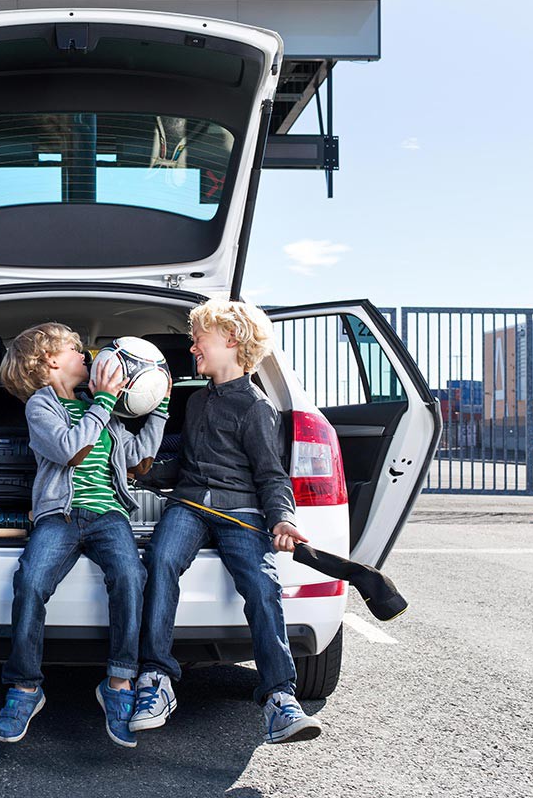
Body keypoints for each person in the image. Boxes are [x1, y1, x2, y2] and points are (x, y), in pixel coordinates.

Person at [130, 299, 322, 744]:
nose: (192, 345)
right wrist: (146, 471)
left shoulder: (256, 406)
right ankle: (156, 678)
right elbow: (185, 464)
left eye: (200, 338)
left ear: (232, 341)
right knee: (160, 561)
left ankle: (279, 698)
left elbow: (271, 474)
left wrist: (283, 518)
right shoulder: (196, 401)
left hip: (240, 511)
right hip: (189, 504)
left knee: (260, 583)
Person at [0, 323, 168, 748]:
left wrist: (159, 410)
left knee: (131, 576)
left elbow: (135, 461)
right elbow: (72, 449)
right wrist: (105, 401)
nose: (87, 357)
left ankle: (119, 683)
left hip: (108, 515)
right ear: (51, 361)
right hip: (62, 514)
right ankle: (25, 687)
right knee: (32, 580)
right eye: (76, 350)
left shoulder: (99, 407)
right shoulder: (42, 406)